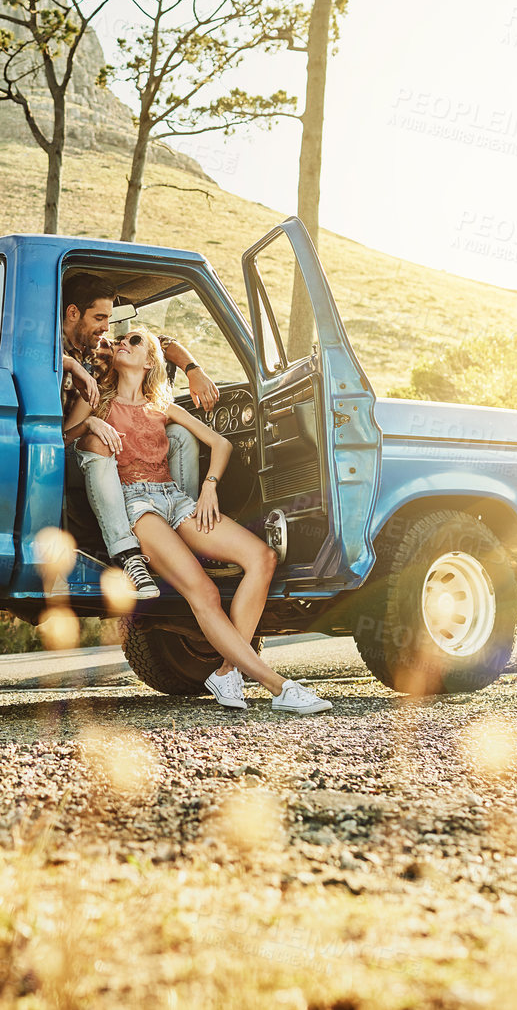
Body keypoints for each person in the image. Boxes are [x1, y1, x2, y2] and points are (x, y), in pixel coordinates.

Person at [66, 326, 331, 715]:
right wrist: (90, 423)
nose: (123, 342)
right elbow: (59, 436)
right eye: (121, 339)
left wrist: (209, 487)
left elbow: (221, 444)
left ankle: (226, 671)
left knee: (262, 558)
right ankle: (280, 687)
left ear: (150, 359)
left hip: (177, 500)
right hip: (138, 509)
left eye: (134, 341)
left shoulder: (162, 405)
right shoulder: (97, 400)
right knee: (203, 593)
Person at [59, 272, 219, 600]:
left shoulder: (102, 351)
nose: (107, 328)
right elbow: (31, 359)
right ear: (73, 314)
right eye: (99, 318)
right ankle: (129, 554)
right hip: (61, 449)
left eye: (109, 319)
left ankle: (178, 535)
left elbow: (160, 344)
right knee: (100, 439)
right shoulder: (45, 346)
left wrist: (194, 370)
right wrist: (73, 372)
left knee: (177, 434)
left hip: (103, 442)